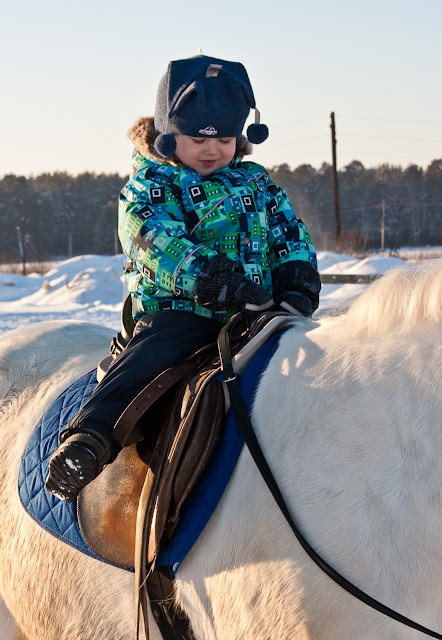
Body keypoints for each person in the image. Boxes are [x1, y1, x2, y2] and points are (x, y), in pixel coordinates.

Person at [45, 53, 321, 503]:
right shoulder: (152, 184)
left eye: (225, 139)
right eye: (198, 139)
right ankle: (90, 438)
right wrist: (212, 279)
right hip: (180, 310)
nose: (212, 150)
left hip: (255, 308)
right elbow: (152, 240)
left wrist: (297, 277)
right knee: (155, 351)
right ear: (168, 135)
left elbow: (288, 231)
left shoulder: (257, 183)